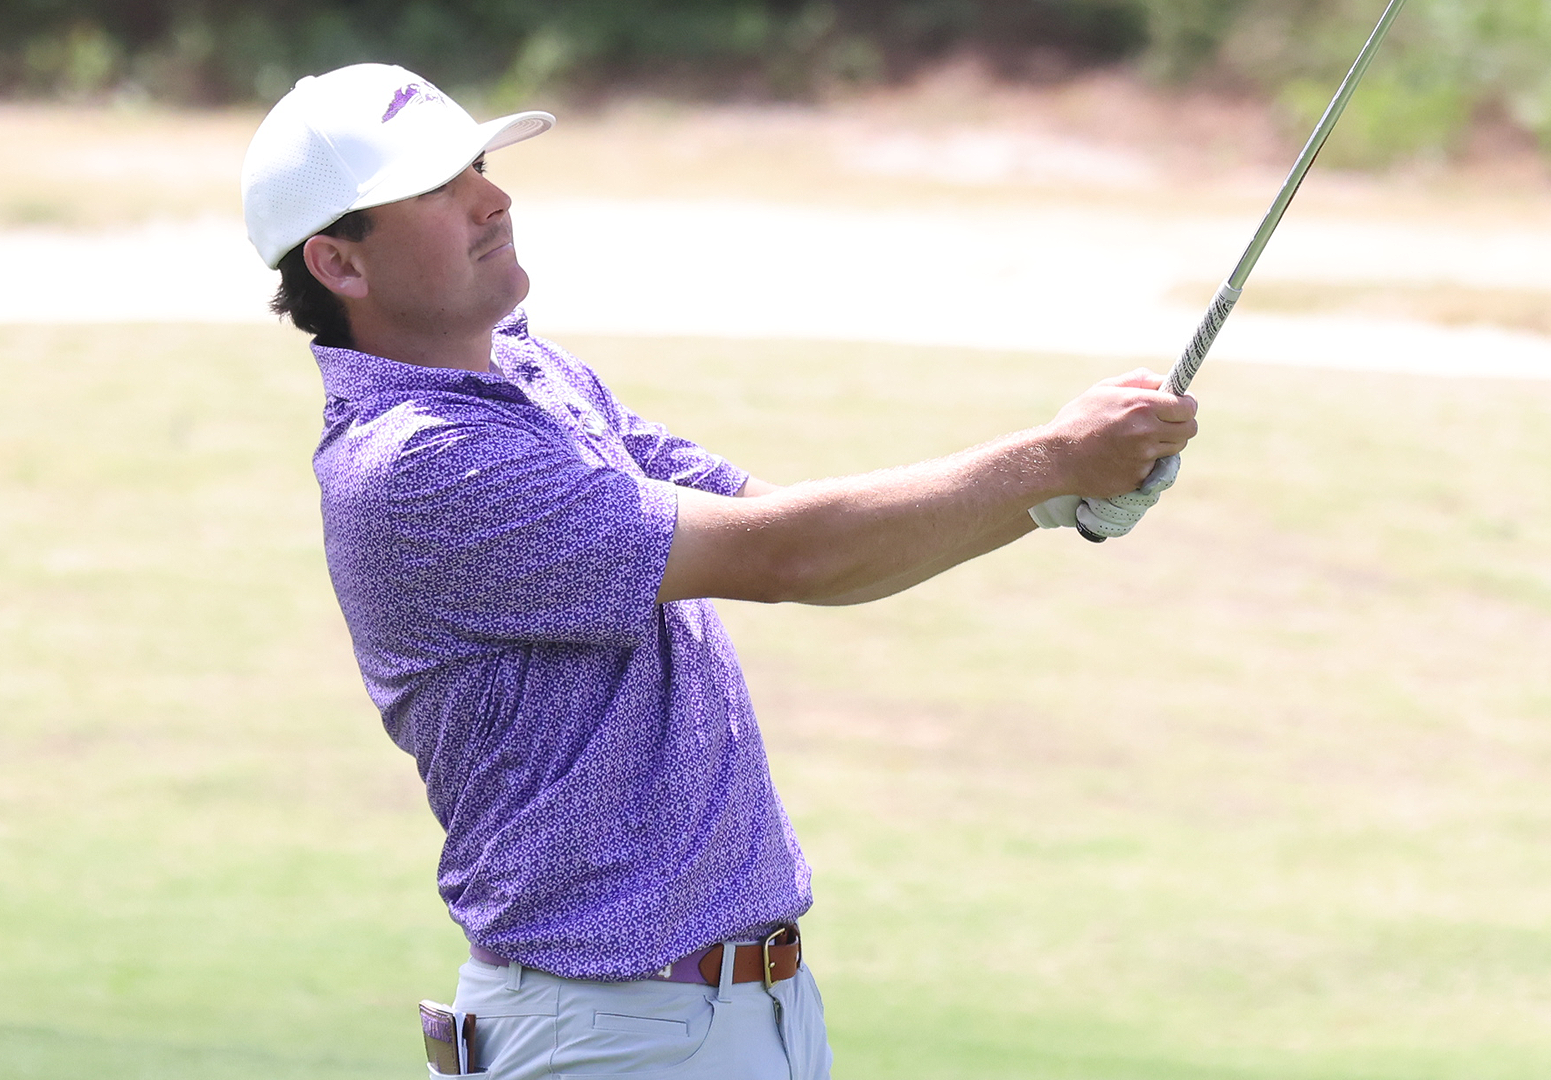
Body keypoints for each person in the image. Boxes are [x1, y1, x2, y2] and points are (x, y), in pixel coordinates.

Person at [240, 63, 1197, 1080]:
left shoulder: (530, 375)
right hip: (614, 1034)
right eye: (436, 187)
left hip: (730, 1018)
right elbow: (787, 555)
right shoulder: (420, 463)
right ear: (340, 265)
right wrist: (1052, 463)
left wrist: (1052, 500)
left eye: (476, 164)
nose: (493, 196)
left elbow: (780, 522)